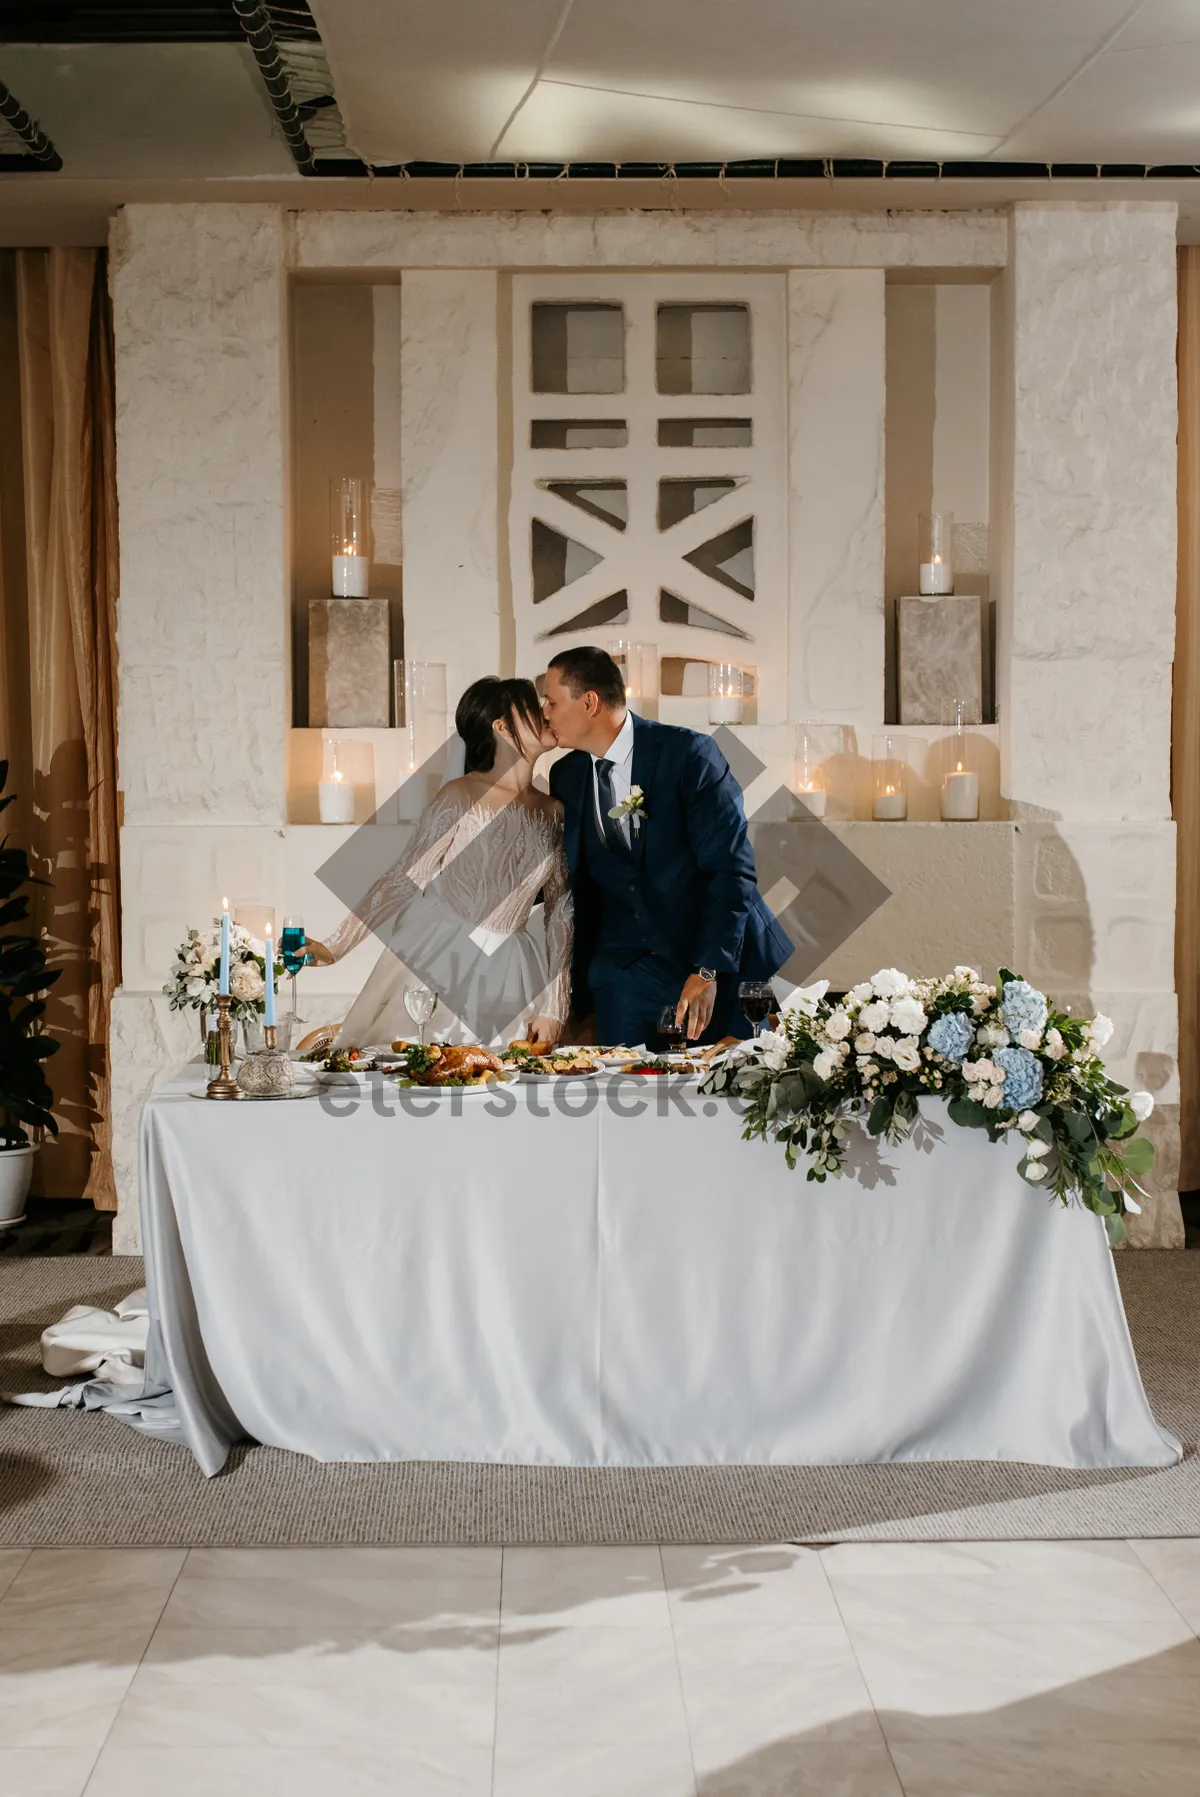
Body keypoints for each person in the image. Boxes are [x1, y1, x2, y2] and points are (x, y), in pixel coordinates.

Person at [543, 645, 792, 1046]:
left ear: (589, 702)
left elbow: (731, 868)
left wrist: (708, 971)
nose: (545, 713)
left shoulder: (689, 755)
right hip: (622, 974)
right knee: (624, 1098)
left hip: (712, 964)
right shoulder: (566, 775)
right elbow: (578, 883)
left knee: (722, 1097)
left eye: (552, 702)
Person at [306, 677, 571, 1049]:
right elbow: (404, 878)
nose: (545, 712)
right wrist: (336, 945)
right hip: (443, 960)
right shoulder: (460, 794)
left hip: (516, 969)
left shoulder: (553, 811)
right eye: (532, 704)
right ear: (500, 727)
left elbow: (560, 911)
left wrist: (555, 1006)